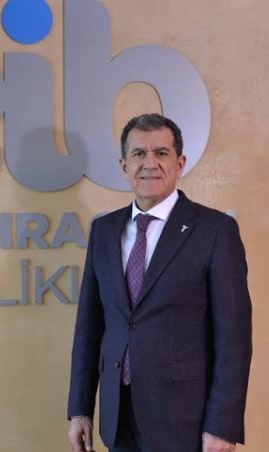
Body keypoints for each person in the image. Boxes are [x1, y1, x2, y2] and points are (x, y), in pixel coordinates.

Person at [66, 113, 252, 452]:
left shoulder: (215, 231)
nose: (149, 163)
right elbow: (89, 328)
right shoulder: (104, 231)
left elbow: (233, 339)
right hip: (118, 418)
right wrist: (80, 409)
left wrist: (222, 425)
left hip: (185, 421)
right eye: (139, 153)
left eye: (161, 153)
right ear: (124, 166)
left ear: (180, 163)